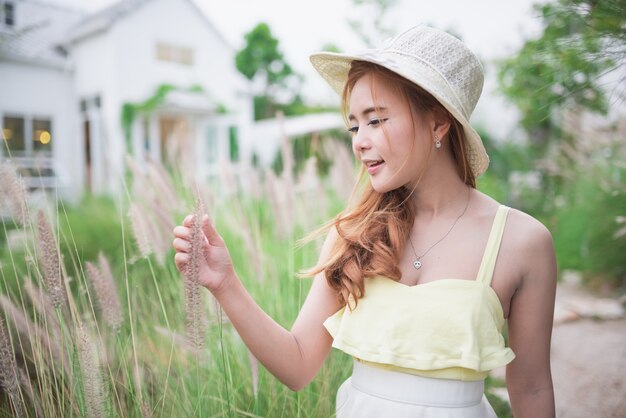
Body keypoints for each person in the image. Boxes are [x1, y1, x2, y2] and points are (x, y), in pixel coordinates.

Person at [173, 25, 556, 417]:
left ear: (438, 123)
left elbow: (532, 386)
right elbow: (298, 364)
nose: (359, 140)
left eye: (376, 120)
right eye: (354, 125)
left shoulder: (521, 241)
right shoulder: (353, 236)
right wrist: (226, 284)